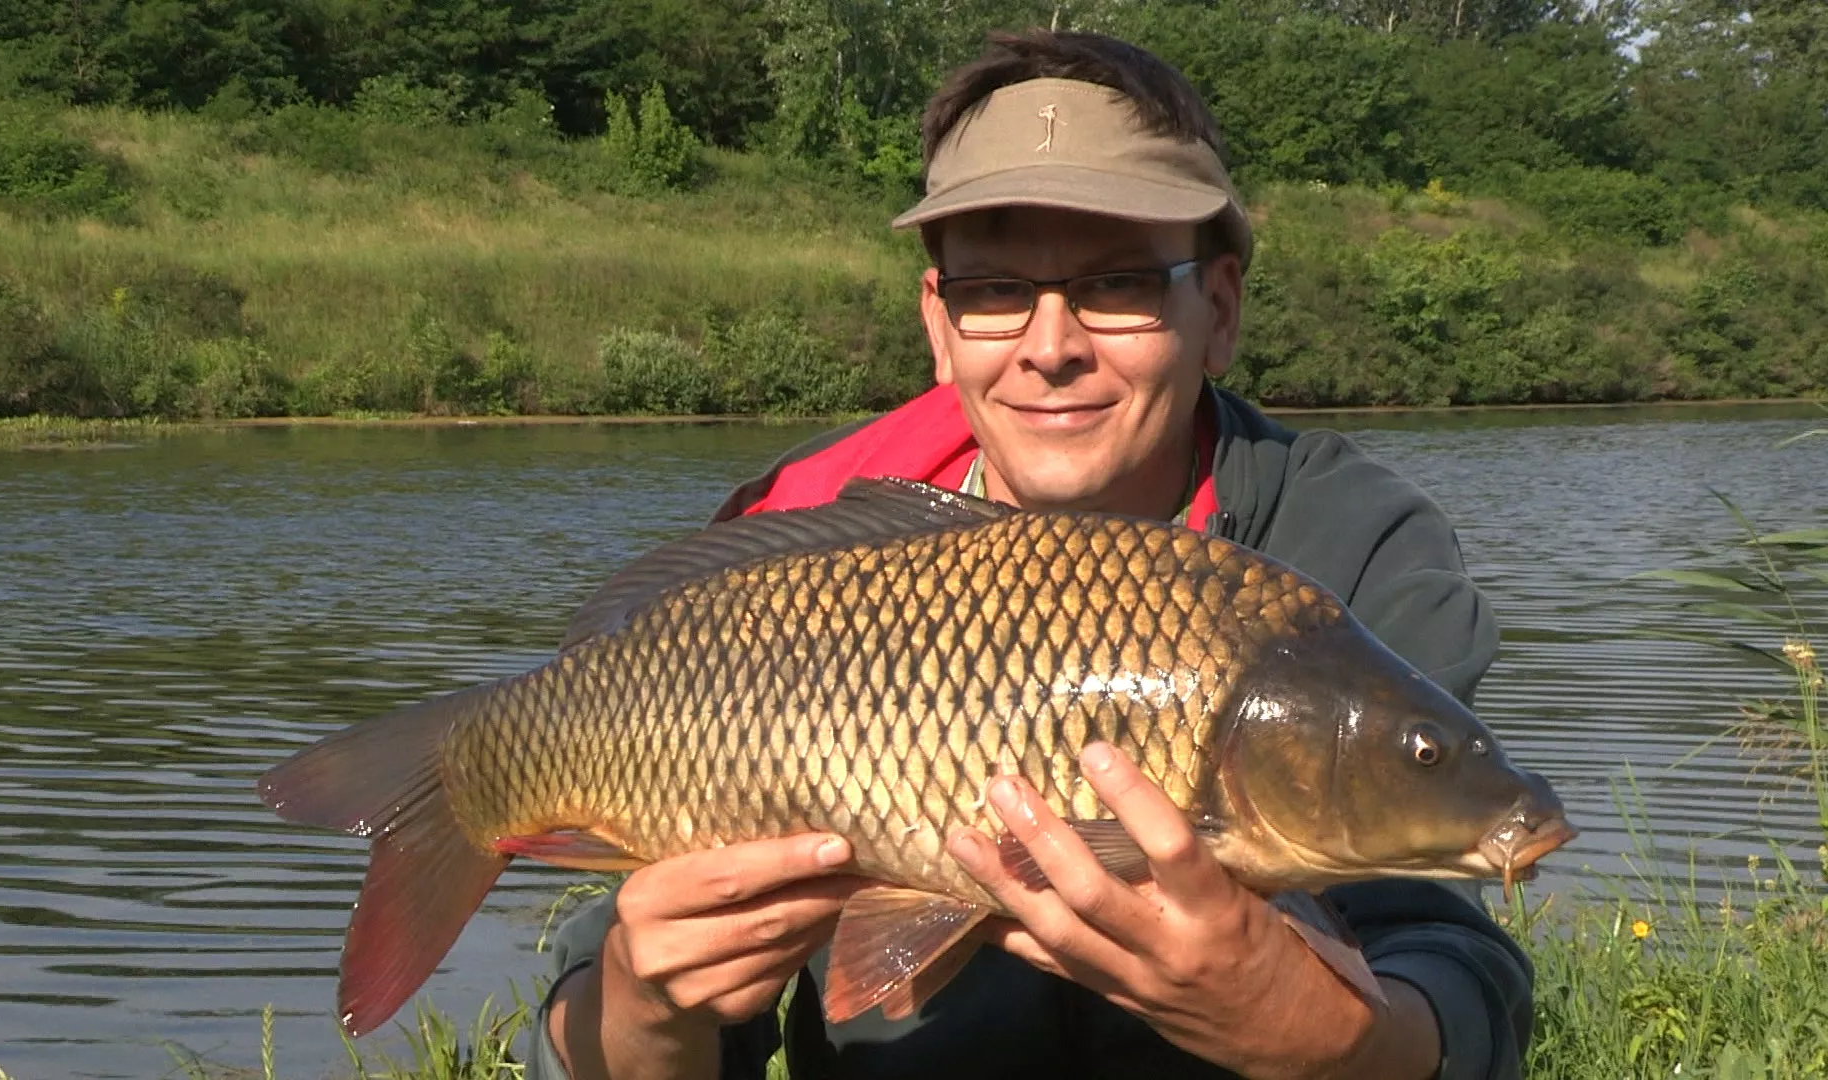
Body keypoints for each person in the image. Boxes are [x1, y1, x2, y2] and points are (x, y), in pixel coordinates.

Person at [526, 28, 1534, 1080]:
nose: (1051, 347)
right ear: (940, 321)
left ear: (1219, 308)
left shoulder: (1342, 550)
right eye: (996, 290)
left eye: (1119, 283)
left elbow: (1441, 958)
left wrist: (1324, 1038)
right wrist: (647, 1016)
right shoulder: (792, 561)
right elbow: (628, 1009)